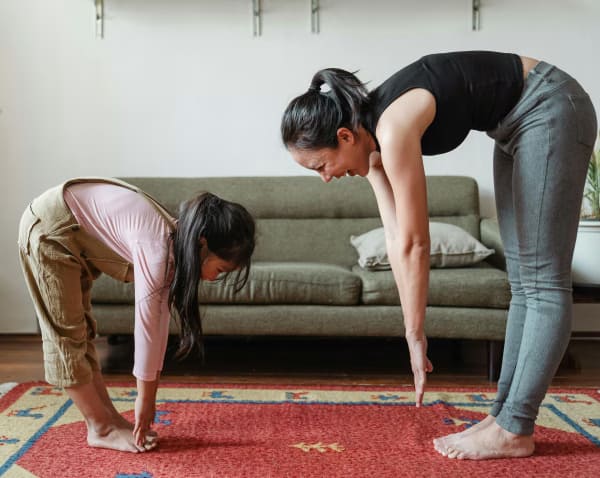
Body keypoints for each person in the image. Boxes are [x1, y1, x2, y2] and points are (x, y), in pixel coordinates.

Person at [280, 51, 597, 460]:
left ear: (344, 136)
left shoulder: (392, 129)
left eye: (320, 166)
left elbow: (417, 242)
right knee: (523, 282)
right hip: (513, 125)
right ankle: (504, 416)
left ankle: (515, 427)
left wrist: (417, 334)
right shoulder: (372, 146)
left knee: (542, 280)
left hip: (550, 106)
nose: (325, 178)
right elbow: (395, 239)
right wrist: (411, 333)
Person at [18, 177, 255, 453]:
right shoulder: (158, 248)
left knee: (82, 331)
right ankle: (101, 428)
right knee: (66, 337)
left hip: (71, 231)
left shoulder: (175, 246)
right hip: (50, 229)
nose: (215, 279)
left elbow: (160, 322)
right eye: (221, 270)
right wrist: (145, 399)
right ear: (203, 243)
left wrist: (149, 395)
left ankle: (110, 420)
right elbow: (147, 326)